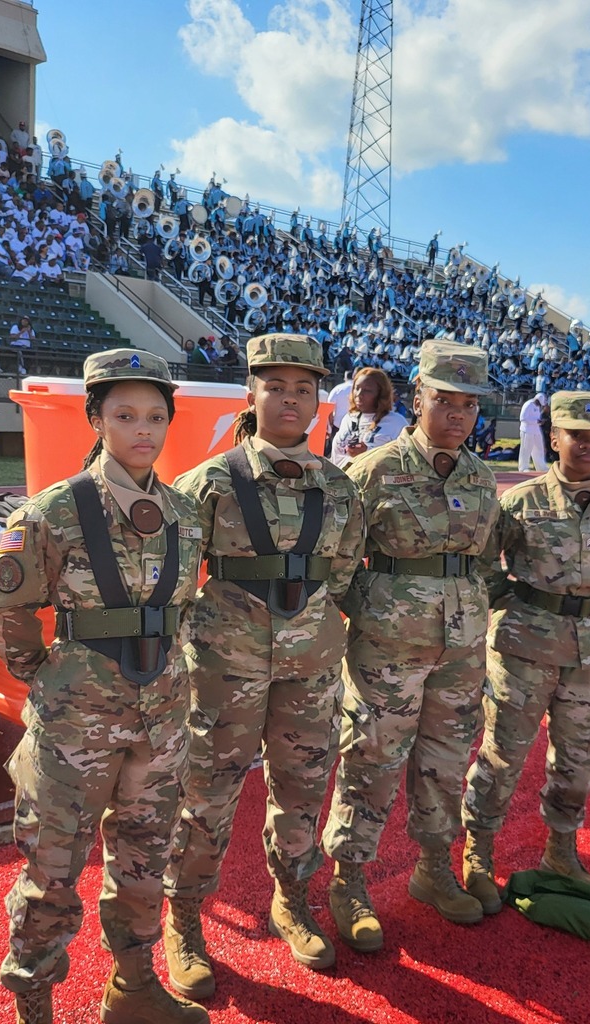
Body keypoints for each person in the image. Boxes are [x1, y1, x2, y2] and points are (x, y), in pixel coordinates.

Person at [0, 349, 208, 1024]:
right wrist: (48, 678)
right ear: (95, 417)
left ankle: (133, 991)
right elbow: (4, 612)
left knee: (144, 860)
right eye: (125, 414)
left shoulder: (184, 515)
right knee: (52, 871)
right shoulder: (54, 512)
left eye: (156, 416)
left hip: (161, 718)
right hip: (77, 725)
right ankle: (35, 1006)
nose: (144, 429)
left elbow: (183, 611)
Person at [163, 333, 365, 991]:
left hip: (309, 667)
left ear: (317, 402)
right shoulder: (209, 483)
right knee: (206, 795)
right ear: (251, 394)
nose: (289, 398)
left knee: (304, 788)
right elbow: (168, 577)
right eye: (275, 385)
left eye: (303, 388)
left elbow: (341, 571)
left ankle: (292, 899)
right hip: (225, 669)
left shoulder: (338, 488)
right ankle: (184, 917)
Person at [321, 341, 501, 951]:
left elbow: (487, 563)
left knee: (446, 762)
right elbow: (337, 565)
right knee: (371, 759)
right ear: (418, 398)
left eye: (469, 406)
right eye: (444, 401)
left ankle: (432, 869)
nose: (457, 416)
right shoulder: (374, 471)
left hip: (461, 649)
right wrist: (375, 613)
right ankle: (350, 881)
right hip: (388, 650)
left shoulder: (481, 476)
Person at [462, 391, 590, 908]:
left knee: (579, 757)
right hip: (524, 647)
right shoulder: (520, 502)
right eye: (576, 434)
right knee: (502, 754)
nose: (587, 445)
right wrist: (515, 601)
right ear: (555, 437)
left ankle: (561, 850)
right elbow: (481, 563)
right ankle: (479, 849)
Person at [330, 367, 409, 466]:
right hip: (338, 480)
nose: (359, 394)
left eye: (367, 390)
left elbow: (407, 460)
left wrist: (367, 452)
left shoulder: (396, 422)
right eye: (356, 388)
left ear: (380, 394)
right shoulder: (348, 418)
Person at [518, 393, 548, 472]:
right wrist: (535, 421)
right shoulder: (528, 405)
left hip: (536, 430)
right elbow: (522, 418)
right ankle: (523, 467)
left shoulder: (538, 407)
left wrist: (539, 421)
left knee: (539, 448)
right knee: (526, 449)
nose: (539, 405)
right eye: (539, 403)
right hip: (527, 430)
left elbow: (536, 417)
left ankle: (541, 467)